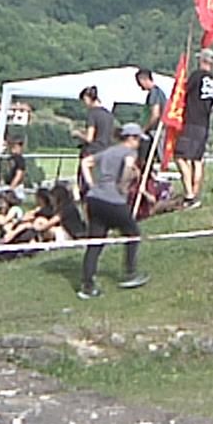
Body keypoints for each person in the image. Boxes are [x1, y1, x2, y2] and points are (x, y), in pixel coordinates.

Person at [77, 124, 150, 299]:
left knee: (95, 242)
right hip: (113, 200)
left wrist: (91, 185)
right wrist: (123, 185)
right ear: (131, 138)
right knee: (133, 234)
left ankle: (87, 285)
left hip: (95, 199)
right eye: (138, 139)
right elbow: (127, 166)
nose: (139, 144)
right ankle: (130, 274)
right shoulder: (129, 153)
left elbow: (85, 162)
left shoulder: (109, 151)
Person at [178, 48, 213, 207]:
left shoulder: (197, 76)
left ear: (201, 60)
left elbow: (183, 92)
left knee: (181, 156)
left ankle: (189, 195)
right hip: (204, 124)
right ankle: (195, 193)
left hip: (191, 122)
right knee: (197, 159)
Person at [135, 68, 167, 137]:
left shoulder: (154, 93)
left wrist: (145, 129)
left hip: (157, 131)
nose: (139, 85)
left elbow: (155, 114)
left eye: (139, 82)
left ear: (143, 80)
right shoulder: (158, 92)